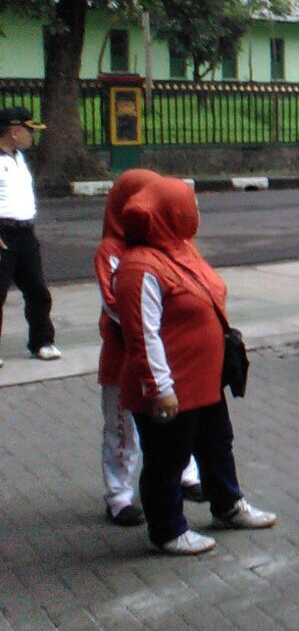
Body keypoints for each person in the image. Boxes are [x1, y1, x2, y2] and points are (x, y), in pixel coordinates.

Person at [114, 176, 276, 556]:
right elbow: (142, 335)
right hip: (170, 384)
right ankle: (167, 530)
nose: (196, 211)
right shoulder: (139, 267)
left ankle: (228, 505)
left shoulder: (180, 249)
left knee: (217, 444)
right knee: (167, 459)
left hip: (204, 378)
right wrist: (160, 389)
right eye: (191, 205)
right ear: (170, 213)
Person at [94, 169, 204, 527]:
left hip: (168, 351)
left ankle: (185, 473)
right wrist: (161, 317)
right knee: (122, 426)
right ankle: (118, 495)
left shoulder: (170, 242)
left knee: (177, 419)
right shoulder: (111, 251)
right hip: (124, 356)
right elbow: (118, 306)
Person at [0, 106, 59, 364]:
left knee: (37, 291)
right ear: (14, 131)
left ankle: (42, 342)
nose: (32, 136)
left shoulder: (20, 158)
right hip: (3, 233)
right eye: (28, 130)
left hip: (25, 234)